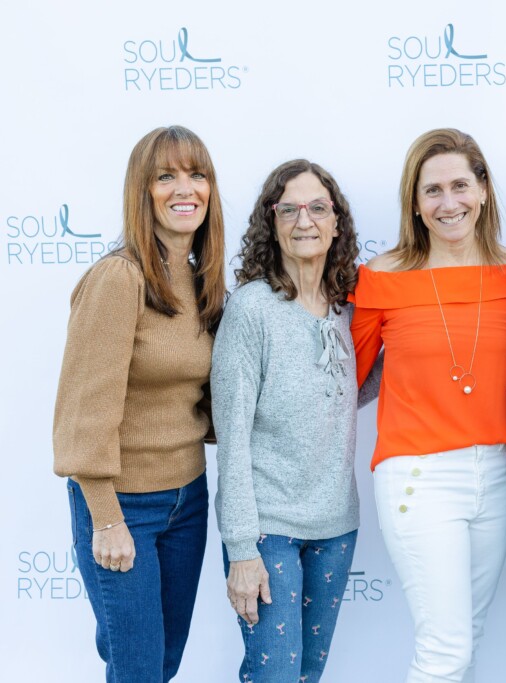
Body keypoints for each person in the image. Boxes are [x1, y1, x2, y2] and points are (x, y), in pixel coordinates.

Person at [350, 128, 506, 683]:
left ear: (483, 190)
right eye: (432, 190)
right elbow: (345, 380)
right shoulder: (380, 280)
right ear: (414, 201)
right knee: (445, 650)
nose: (448, 202)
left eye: (461, 185)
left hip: (497, 475)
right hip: (418, 476)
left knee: (467, 638)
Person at [53, 125, 225, 682]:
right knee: (138, 669)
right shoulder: (118, 278)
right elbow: (84, 411)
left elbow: (205, 398)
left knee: (164, 661)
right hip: (123, 504)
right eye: (166, 176)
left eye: (198, 175)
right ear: (141, 190)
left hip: (188, 502)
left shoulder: (203, 283)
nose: (186, 188)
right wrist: (106, 518)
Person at [212, 160, 365, 682]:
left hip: (338, 526)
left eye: (318, 207)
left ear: (336, 222)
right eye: (290, 209)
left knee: (307, 676)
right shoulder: (252, 310)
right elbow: (230, 438)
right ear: (270, 222)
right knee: (274, 675)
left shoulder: (347, 310)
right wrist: (240, 548)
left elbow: (348, 393)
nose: (305, 220)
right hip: (267, 531)